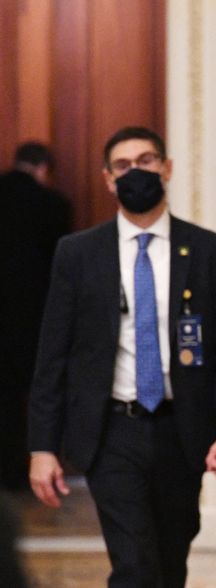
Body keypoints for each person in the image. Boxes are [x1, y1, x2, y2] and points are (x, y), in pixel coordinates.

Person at [27, 127, 216, 588]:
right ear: (109, 179)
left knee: (169, 562)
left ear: (167, 168)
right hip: (112, 430)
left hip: (183, 430)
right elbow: (54, 353)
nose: (137, 172)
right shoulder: (78, 254)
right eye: (124, 165)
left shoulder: (211, 251)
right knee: (134, 565)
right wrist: (41, 447)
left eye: (147, 161)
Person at [0, 142, 71, 491]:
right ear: (43, 168)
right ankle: (40, 469)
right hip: (36, 317)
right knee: (43, 391)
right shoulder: (53, 205)